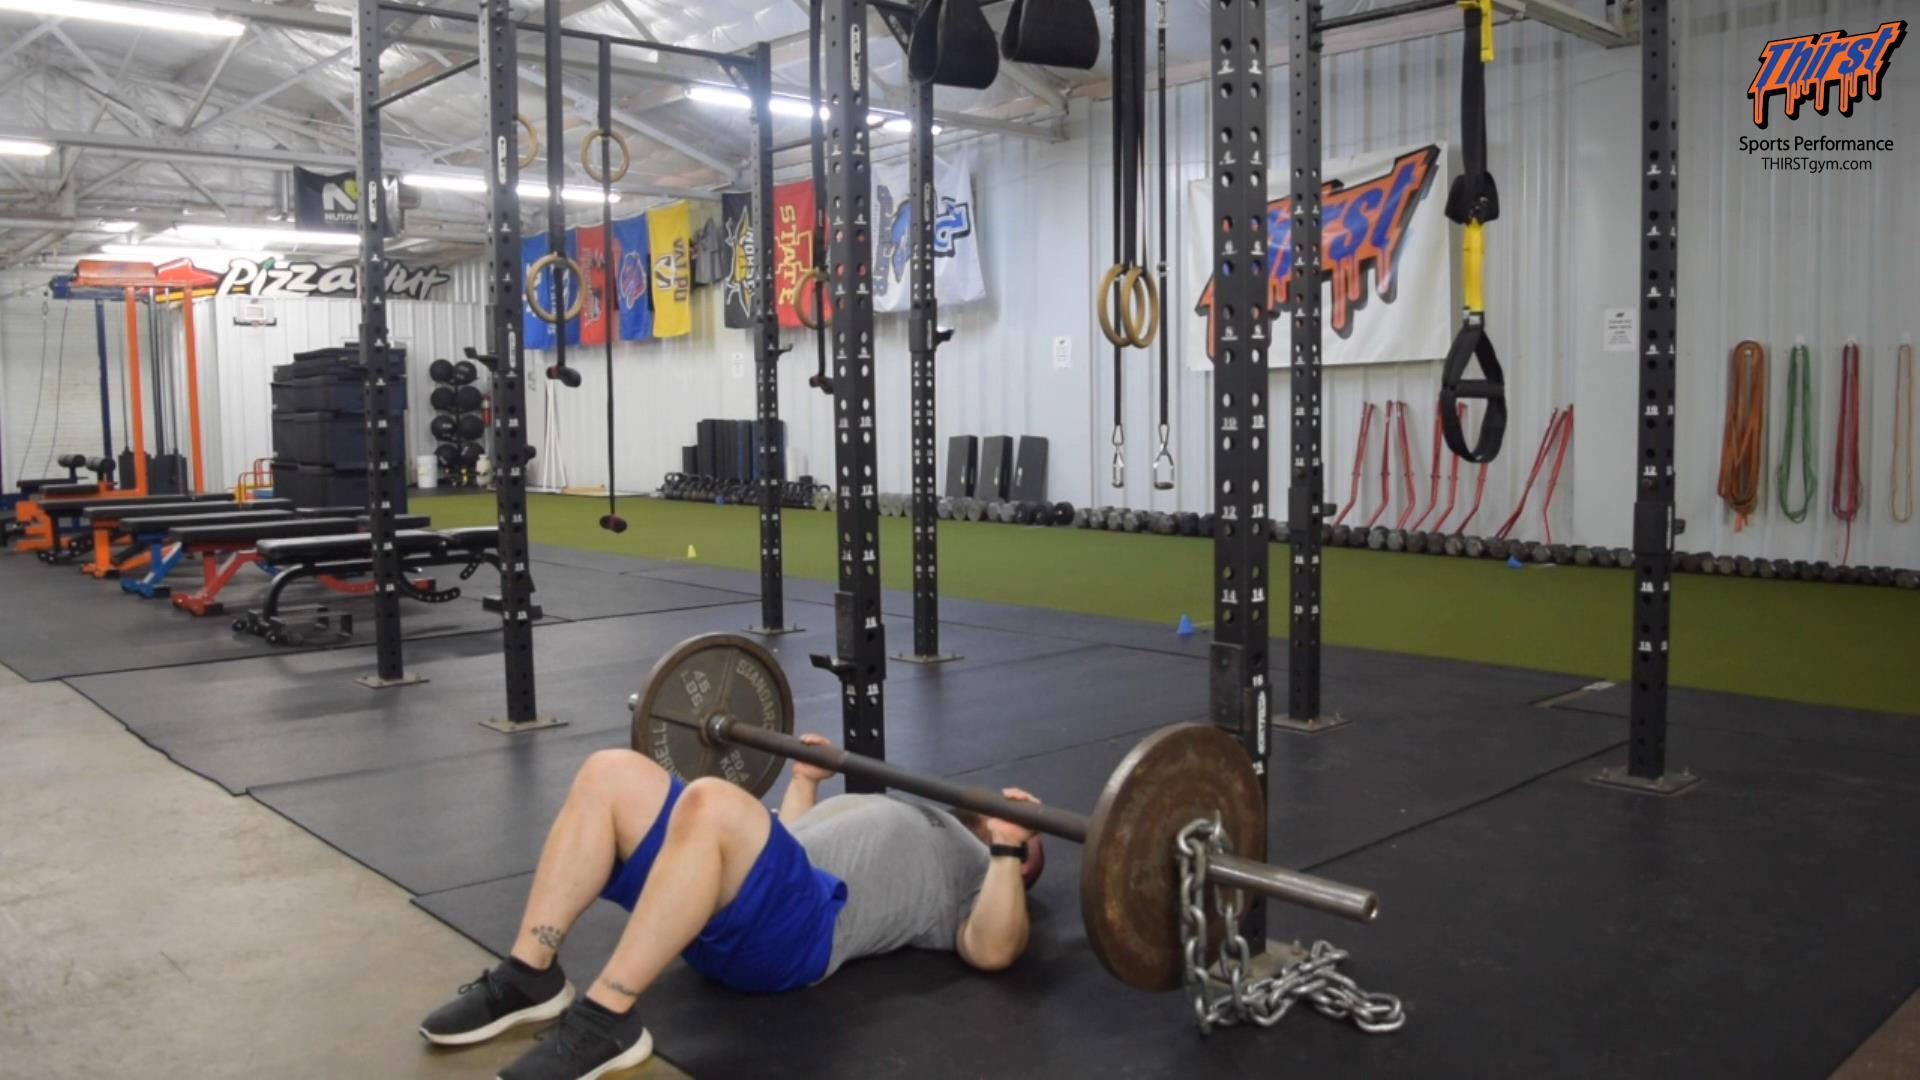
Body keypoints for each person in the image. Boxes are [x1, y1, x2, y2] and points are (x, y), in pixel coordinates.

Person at [419, 734, 1043, 1080]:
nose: (1016, 807)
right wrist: (803, 783)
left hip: (802, 935)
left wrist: (1009, 851)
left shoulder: (974, 868)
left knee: (713, 802)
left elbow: (991, 949)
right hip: (757, 894)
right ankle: (531, 976)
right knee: (607, 770)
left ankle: (608, 1019)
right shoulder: (926, 809)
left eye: (1033, 823)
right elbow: (787, 846)